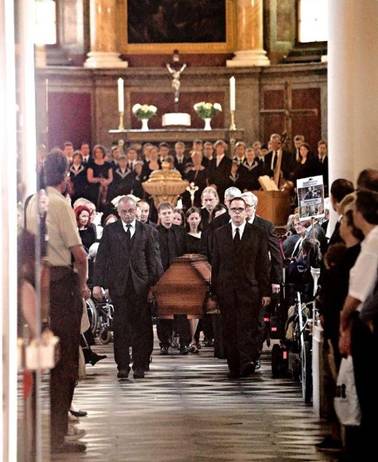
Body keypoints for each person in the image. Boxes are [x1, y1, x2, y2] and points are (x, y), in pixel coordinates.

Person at [25, 149, 90, 454]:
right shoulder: (60, 203)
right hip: (62, 285)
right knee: (64, 362)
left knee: (37, 360)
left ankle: (33, 429)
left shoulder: (30, 202)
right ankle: (57, 434)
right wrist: (83, 284)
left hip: (35, 287)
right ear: (65, 177)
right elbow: (79, 254)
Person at [93, 196, 163, 379]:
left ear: (136, 210)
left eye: (131, 211)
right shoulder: (110, 231)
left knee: (142, 327)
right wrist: (97, 284)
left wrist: (155, 287)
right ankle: (122, 366)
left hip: (141, 286)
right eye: (124, 212)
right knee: (121, 327)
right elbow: (101, 259)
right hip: (119, 286)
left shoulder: (147, 231)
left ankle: (140, 365)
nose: (128, 215)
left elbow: (154, 261)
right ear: (118, 212)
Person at [315, 204, 362, 454]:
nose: (339, 224)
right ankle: (339, 433)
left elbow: (353, 297)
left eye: (344, 221)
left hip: (345, 329)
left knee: (347, 383)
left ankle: (350, 437)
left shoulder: (353, 257)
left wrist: (344, 323)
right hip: (337, 327)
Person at [211, 197, 271, 378]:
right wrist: (214, 291)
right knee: (229, 328)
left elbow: (263, 265)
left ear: (246, 211)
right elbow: (216, 264)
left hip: (250, 288)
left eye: (240, 209)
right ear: (229, 211)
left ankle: (247, 361)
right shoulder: (220, 233)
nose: (237, 213)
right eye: (234, 209)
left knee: (248, 327)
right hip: (226, 290)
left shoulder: (257, 233)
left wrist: (266, 291)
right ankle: (234, 364)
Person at [339, 189, 378, 458]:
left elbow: (357, 294)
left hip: (366, 326)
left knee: (366, 394)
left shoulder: (373, 243)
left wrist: (344, 320)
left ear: (359, 214)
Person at [156, 202, 190, 355]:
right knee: (163, 312)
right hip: (162, 276)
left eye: (169, 213)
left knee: (182, 312)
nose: (167, 216)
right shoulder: (154, 233)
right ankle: (164, 343)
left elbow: (185, 252)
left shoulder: (181, 232)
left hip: (178, 275)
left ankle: (184, 343)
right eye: (164, 214)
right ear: (159, 216)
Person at [86, 145, 113, 210]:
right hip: (94, 190)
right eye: (97, 152)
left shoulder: (108, 164)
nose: (99, 154)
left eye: (100, 152)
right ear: (94, 153)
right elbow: (90, 179)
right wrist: (100, 180)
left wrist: (106, 182)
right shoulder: (91, 164)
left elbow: (111, 178)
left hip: (106, 189)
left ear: (103, 153)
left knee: (105, 207)